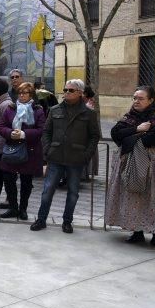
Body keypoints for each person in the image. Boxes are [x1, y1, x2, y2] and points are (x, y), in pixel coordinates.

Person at [104, 86, 155, 248]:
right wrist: (137, 129)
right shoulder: (130, 116)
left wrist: (129, 138)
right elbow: (115, 133)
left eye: (140, 98)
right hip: (131, 162)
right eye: (134, 98)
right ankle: (137, 232)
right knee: (134, 196)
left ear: (151, 100)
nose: (136, 101)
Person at [31, 79, 101, 233]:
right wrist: (48, 150)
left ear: (80, 93)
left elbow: (95, 136)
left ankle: (67, 221)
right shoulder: (54, 109)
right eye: (65, 90)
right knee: (47, 190)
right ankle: (41, 220)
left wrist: (86, 155)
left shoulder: (88, 113)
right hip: (55, 157)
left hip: (76, 159)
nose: (66, 93)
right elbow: (46, 132)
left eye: (71, 90)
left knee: (73, 193)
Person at [0, 82, 45, 220]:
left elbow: (41, 130)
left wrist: (24, 133)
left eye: (25, 93)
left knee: (26, 181)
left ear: (31, 95)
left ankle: (23, 209)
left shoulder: (38, 110)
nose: (22, 95)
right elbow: (1, 126)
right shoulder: (10, 108)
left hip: (30, 149)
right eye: (20, 93)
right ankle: (13, 207)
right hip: (11, 148)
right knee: (8, 178)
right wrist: (10, 133)